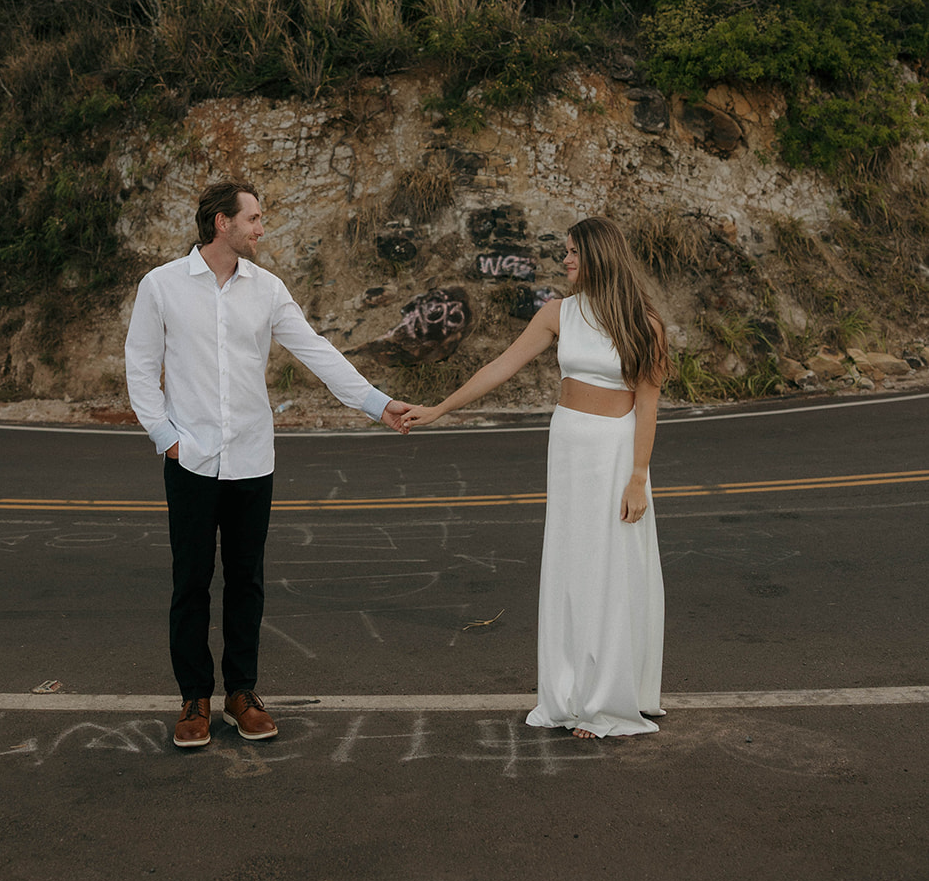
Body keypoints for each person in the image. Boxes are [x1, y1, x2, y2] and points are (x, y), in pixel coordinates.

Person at [125, 180, 410, 750]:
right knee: (191, 583)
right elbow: (140, 366)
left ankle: (241, 694)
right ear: (220, 224)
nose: (261, 227)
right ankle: (194, 699)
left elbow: (317, 351)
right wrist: (167, 438)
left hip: (253, 459)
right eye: (253, 218)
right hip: (193, 462)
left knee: (247, 581)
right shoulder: (161, 286)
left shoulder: (268, 290)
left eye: (260, 217)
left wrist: (378, 404)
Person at [401, 214, 669, 740]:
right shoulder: (558, 314)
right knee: (573, 567)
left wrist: (638, 476)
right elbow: (500, 367)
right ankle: (570, 693)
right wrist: (438, 409)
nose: (565, 259)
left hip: (615, 452)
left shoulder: (645, 323)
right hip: (568, 447)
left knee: (608, 569)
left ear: (599, 256)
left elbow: (648, 404)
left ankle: (606, 702)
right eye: (564, 251)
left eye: (573, 251)